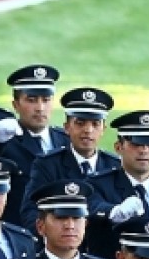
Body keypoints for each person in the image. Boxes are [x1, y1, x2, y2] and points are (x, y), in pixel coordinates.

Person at [85, 110, 149, 259]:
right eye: (136, 143)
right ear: (118, 147)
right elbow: (93, 207)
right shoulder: (97, 184)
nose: (144, 150)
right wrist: (115, 212)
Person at [0, 65, 66, 225]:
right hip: (19, 231)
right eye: (31, 100)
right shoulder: (4, 140)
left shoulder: (66, 140)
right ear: (16, 105)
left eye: (46, 100)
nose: (40, 108)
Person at [20, 87, 119, 227]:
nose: (88, 130)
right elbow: (30, 212)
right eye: (80, 123)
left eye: (95, 124)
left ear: (103, 129)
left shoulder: (114, 166)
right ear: (67, 127)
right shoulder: (48, 164)